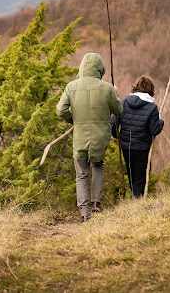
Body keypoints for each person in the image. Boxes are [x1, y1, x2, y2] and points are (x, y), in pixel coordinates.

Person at [56, 53, 123, 222]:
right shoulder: (107, 88)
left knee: (81, 174)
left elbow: (60, 110)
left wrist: (74, 121)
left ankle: (85, 212)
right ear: (100, 69)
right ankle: (96, 204)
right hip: (101, 137)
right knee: (98, 166)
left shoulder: (71, 87)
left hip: (80, 136)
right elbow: (119, 110)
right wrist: (115, 93)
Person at [112, 76, 164, 198]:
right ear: (150, 90)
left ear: (136, 88)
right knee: (141, 176)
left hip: (126, 146)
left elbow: (113, 122)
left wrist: (117, 137)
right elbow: (154, 130)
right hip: (142, 148)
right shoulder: (152, 107)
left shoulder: (124, 102)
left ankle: (134, 197)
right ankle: (137, 199)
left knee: (131, 174)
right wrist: (161, 122)